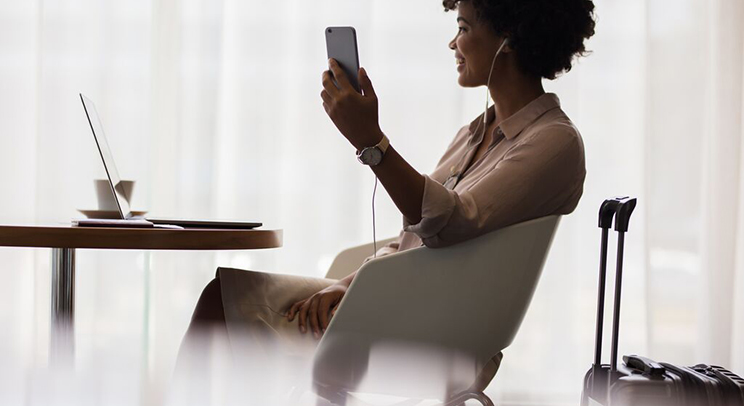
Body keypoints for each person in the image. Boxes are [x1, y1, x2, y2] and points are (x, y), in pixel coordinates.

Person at [178, 0, 596, 397]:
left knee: (224, 309)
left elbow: (450, 224)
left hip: (436, 330)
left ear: (510, 37)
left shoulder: (554, 142)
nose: (453, 43)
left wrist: (372, 143)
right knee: (225, 294)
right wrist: (349, 284)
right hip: (393, 300)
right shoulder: (474, 134)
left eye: (463, 27)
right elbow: (414, 238)